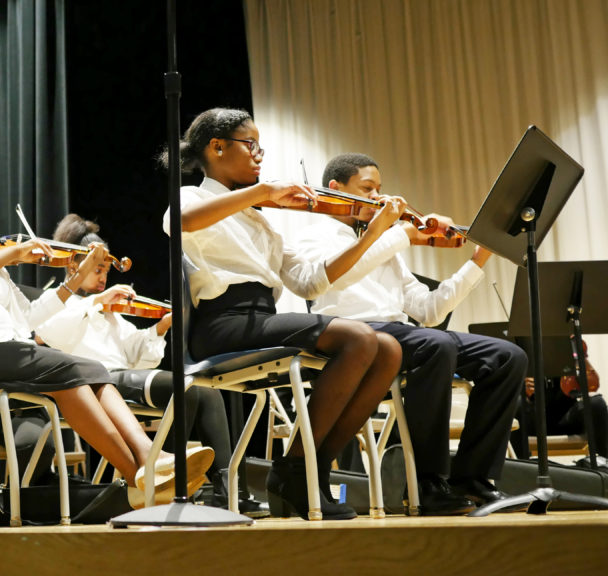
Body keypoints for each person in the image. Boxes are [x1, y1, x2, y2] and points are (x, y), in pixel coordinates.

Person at [0, 167, 214, 512]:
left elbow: (30, 317)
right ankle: (138, 471)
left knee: (85, 372)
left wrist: (76, 277)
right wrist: (11, 255)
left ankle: (146, 461)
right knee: (72, 368)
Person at [162, 108, 406, 520]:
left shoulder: (262, 223)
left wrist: (375, 233)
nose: (259, 155)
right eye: (250, 145)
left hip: (259, 320)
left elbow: (311, 282)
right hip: (222, 326)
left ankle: (311, 468)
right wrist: (264, 192)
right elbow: (179, 222)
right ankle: (294, 471)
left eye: (261, 147)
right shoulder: (194, 197)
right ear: (216, 148)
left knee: (388, 349)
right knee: (360, 337)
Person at [297, 152, 527, 514]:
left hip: (402, 333)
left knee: (506, 357)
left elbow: (429, 311)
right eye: (367, 189)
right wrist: (400, 233)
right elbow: (338, 276)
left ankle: (474, 478)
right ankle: (426, 482)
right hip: (354, 335)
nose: (379, 197)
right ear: (336, 189)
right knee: (433, 345)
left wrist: (478, 259)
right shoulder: (317, 234)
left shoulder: (384, 243)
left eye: (380, 189)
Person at [35, 213, 267, 515]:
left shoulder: (110, 312)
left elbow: (136, 353)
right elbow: (46, 336)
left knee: (204, 390)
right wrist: (96, 302)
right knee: (184, 390)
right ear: (72, 266)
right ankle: (166, 476)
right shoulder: (57, 301)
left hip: (123, 377)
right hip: (94, 384)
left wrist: (160, 327)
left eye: (106, 270)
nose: (104, 277)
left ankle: (228, 490)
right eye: (97, 269)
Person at [512, 348, 607, 467]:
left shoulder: (564, 347)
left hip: (566, 417)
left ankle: (603, 466)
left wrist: (578, 354)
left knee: (596, 403)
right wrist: (521, 387)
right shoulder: (521, 348)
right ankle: (520, 469)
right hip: (533, 419)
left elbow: (593, 384)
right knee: (517, 404)